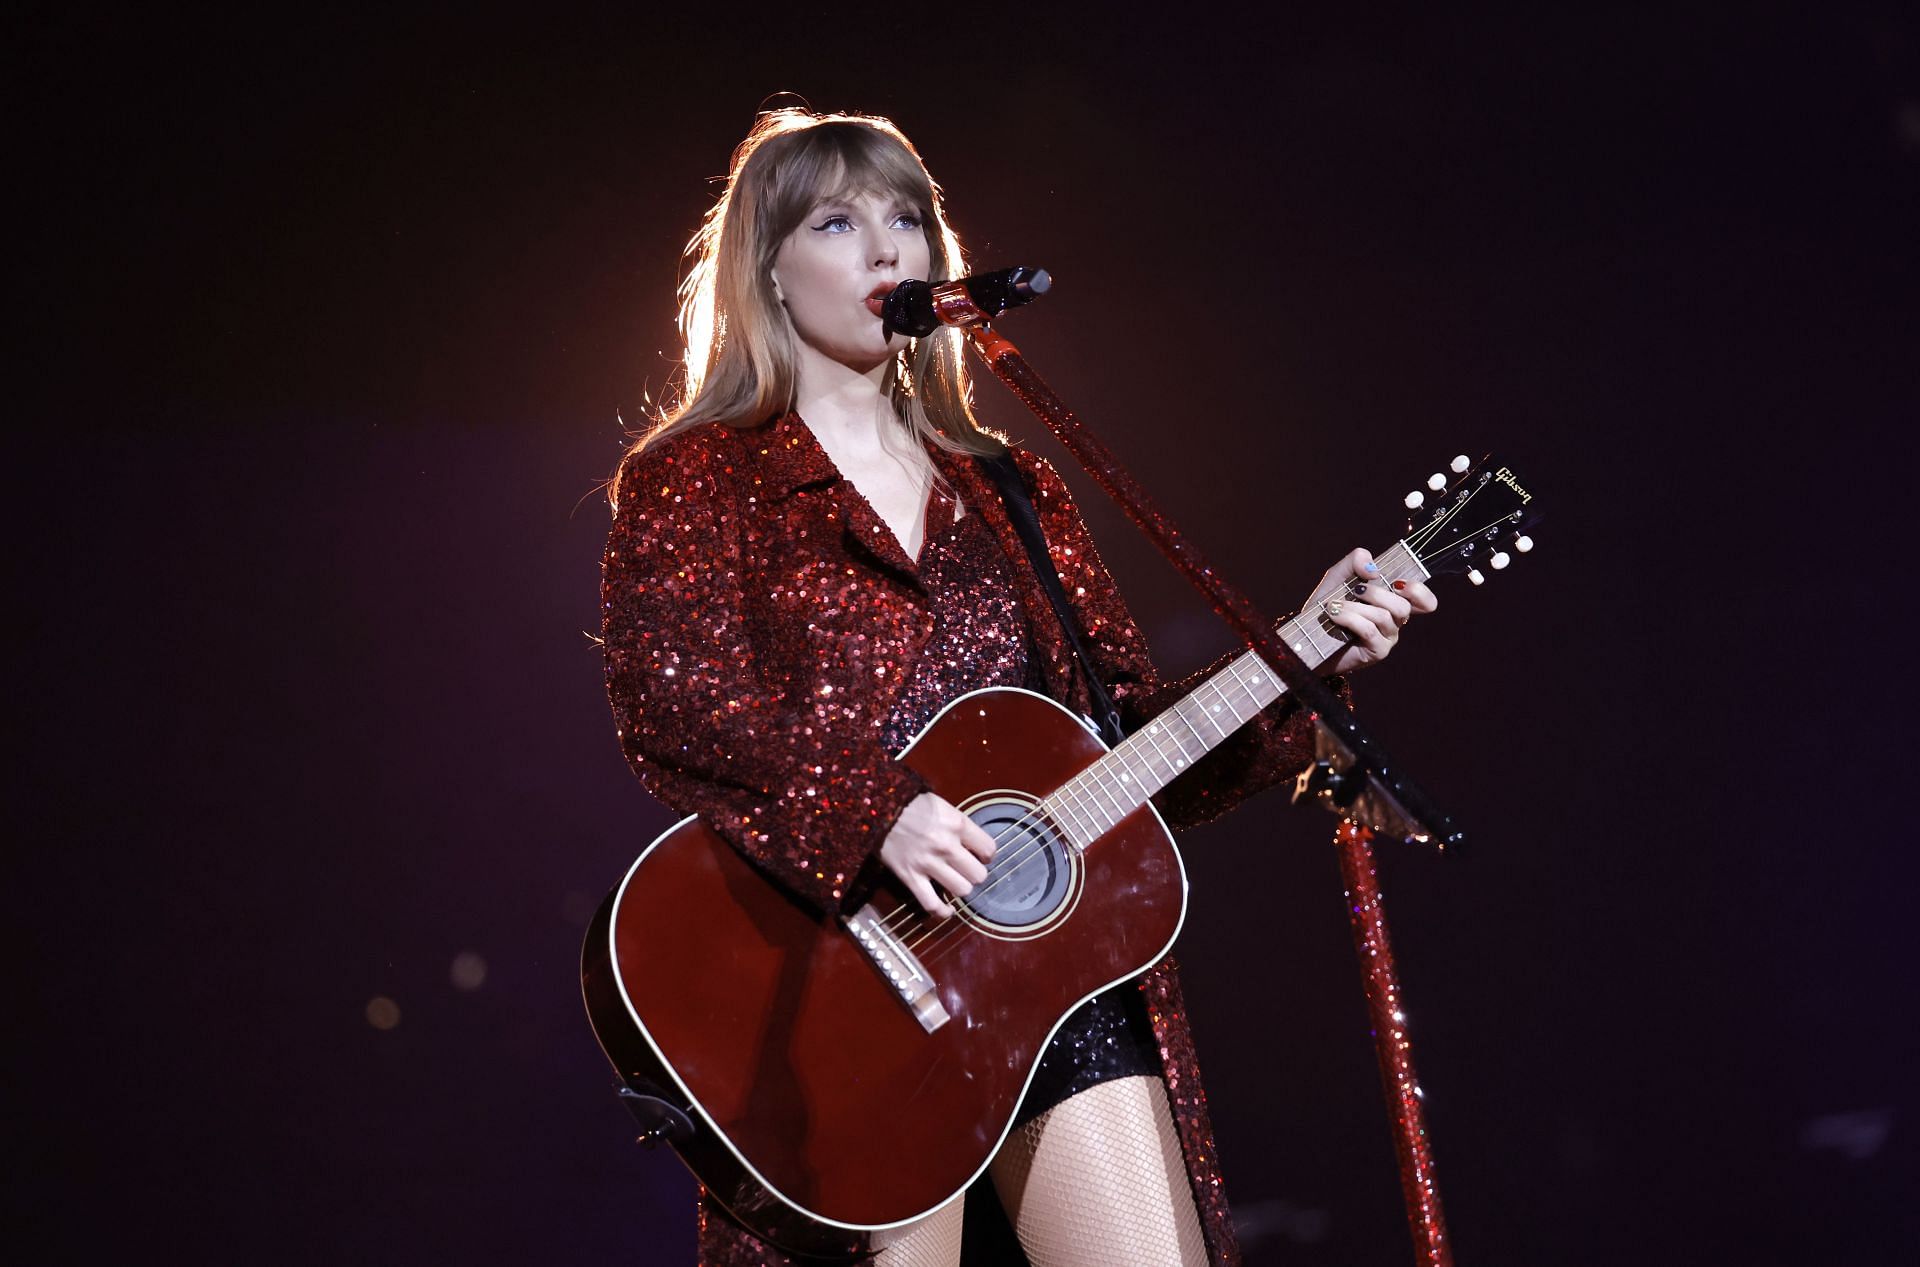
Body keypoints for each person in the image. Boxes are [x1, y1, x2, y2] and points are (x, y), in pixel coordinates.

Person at [600, 107, 1436, 1267]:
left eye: (908, 218)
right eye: (841, 221)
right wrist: (876, 810)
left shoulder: (1013, 492)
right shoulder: (700, 478)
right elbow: (675, 704)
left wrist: (1299, 666)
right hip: (842, 980)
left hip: (1048, 981)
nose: (890, 249)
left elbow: (1131, 745)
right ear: (770, 270)